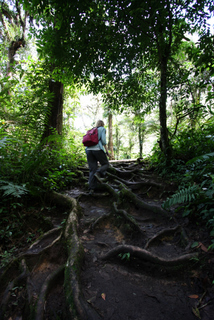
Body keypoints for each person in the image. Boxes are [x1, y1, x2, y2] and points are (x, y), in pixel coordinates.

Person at [86, 120, 110, 194]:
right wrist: (107, 151)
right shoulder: (102, 129)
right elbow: (103, 141)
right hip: (97, 149)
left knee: (92, 169)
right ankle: (98, 172)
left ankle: (91, 189)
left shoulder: (92, 130)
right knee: (106, 164)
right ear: (102, 124)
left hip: (88, 150)